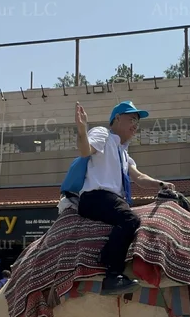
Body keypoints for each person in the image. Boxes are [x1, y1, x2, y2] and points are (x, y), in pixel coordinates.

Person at [74, 100, 173, 294]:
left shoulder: (124, 153)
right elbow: (85, 150)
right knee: (129, 219)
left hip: (112, 200)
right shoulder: (103, 135)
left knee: (132, 218)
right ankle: (112, 274)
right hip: (95, 197)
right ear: (117, 118)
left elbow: (139, 178)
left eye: (137, 121)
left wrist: (161, 184)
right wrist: (81, 130)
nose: (135, 125)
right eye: (132, 119)